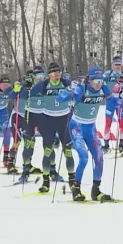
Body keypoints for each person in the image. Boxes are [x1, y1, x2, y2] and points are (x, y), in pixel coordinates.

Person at [60, 66, 113, 201]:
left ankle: (96, 190)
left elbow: (113, 101)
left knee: (99, 157)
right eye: (96, 81)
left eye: (100, 81)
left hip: (91, 127)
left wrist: (122, 96)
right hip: (77, 126)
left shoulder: (103, 89)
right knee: (84, 157)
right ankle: (76, 188)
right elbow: (61, 98)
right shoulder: (81, 89)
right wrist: (69, 90)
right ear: (89, 80)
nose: (98, 84)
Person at [30, 62, 74, 192]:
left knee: (68, 151)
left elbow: (78, 92)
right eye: (54, 72)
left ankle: (72, 180)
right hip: (48, 119)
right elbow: (29, 93)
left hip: (63, 119)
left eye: (58, 72)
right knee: (47, 151)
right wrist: (25, 86)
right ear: (49, 74)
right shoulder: (43, 84)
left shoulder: (66, 83)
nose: (56, 75)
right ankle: (45, 182)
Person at [102, 56, 123, 152]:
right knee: (108, 123)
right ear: (113, 65)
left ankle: (121, 143)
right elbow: (101, 82)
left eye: (119, 65)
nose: (118, 67)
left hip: (120, 102)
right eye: (116, 65)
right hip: (110, 101)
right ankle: (106, 144)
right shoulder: (108, 74)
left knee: (122, 123)